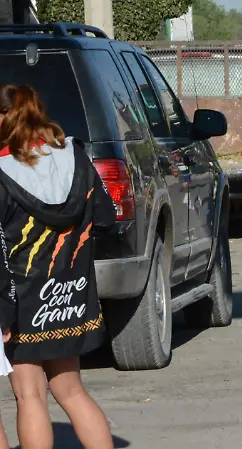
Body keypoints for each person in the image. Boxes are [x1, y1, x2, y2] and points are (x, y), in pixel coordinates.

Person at [0, 84, 116, 448]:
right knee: (72, 391)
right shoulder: (74, 157)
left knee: (29, 394)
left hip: (21, 299)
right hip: (70, 292)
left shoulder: (2, 171)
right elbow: (105, 218)